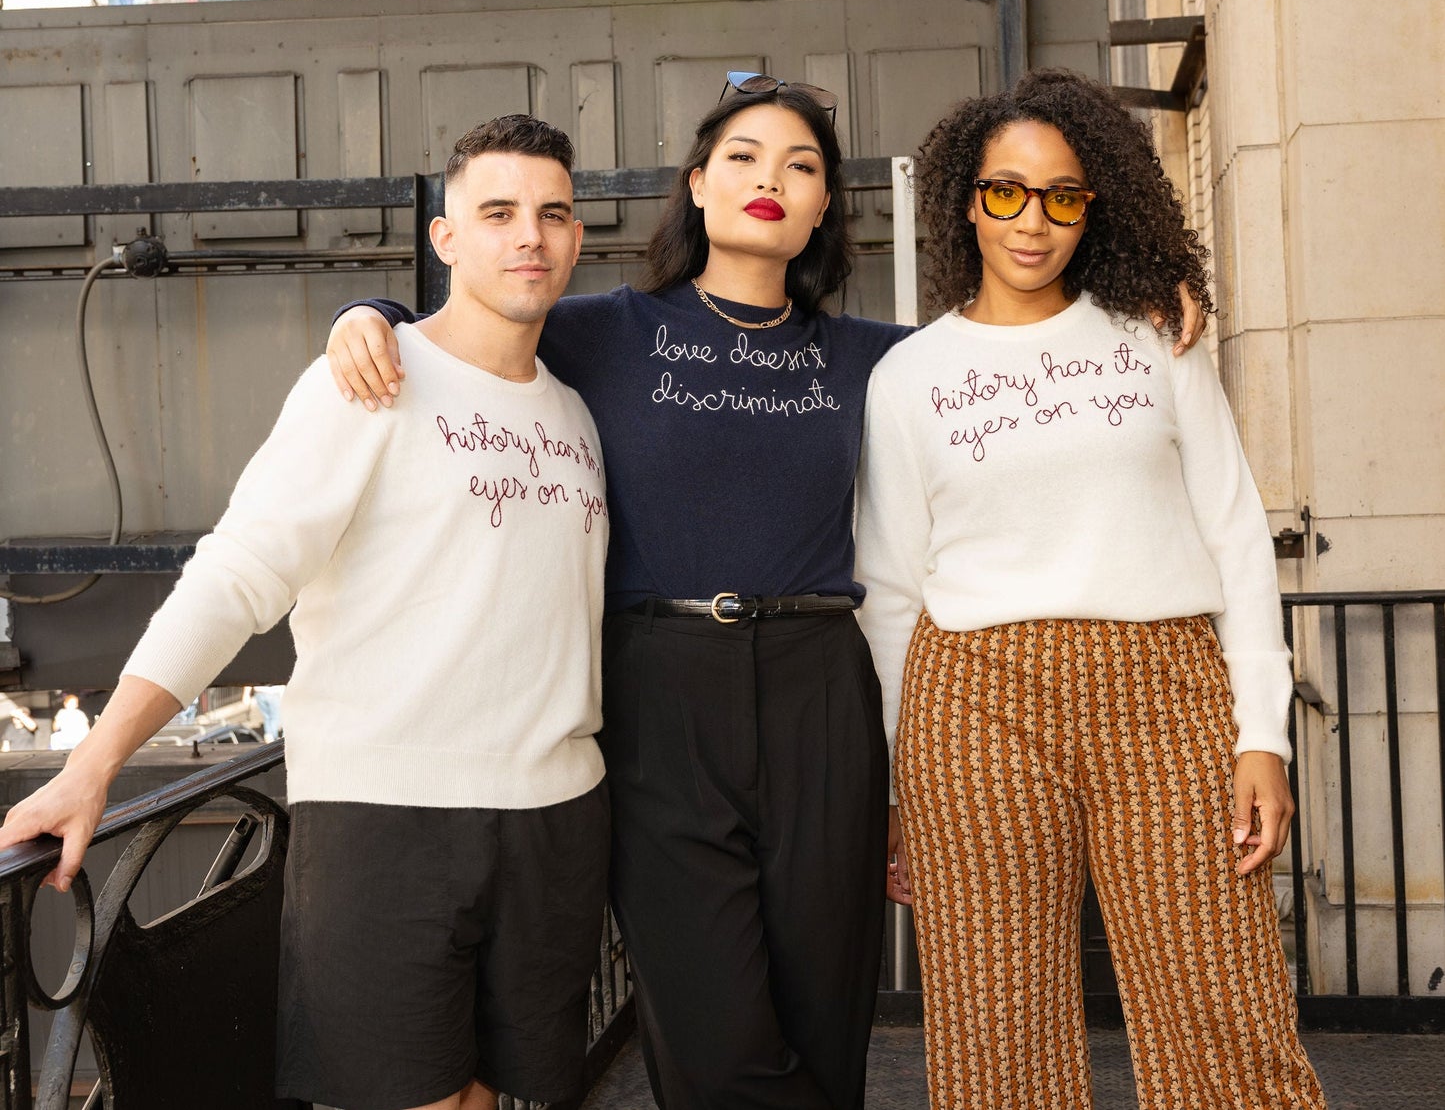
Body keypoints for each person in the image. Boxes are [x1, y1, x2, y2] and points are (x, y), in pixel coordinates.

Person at [327, 74, 1206, 1110]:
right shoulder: (600, 332)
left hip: (820, 694)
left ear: (823, 203)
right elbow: (474, 321)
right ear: (697, 184)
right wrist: (368, 313)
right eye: (742, 157)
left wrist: (1143, 297)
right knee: (714, 1037)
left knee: (824, 1023)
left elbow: (1020, 329)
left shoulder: (882, 361)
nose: (769, 180)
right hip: (658, 702)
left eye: (800, 166)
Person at [0, 115, 611, 1110]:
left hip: (553, 817)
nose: (528, 236)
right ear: (445, 236)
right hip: (387, 816)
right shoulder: (365, 382)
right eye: (497, 212)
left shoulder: (574, 413)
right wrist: (93, 763)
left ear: (577, 236)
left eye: (551, 213)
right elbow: (235, 576)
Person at [854, 68, 1324, 1110]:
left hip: (1165, 687)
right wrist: (894, 787)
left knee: (1222, 1005)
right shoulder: (907, 375)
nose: (1032, 221)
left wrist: (1262, 734)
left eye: (1062, 196)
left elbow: (1235, 533)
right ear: (963, 200)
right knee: (994, 1027)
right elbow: (887, 590)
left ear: (1092, 205)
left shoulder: (1156, 335)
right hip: (970, 699)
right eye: (1005, 192)